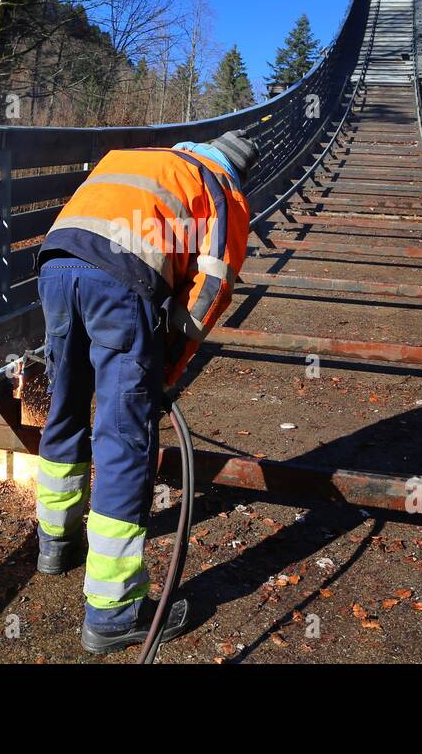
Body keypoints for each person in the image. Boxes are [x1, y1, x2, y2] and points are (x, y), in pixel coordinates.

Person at [33, 128, 259, 654]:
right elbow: (211, 290)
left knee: (64, 409)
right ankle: (112, 614)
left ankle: (55, 543)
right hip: (119, 283)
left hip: (55, 266)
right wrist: (166, 370)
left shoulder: (141, 160)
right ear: (238, 171)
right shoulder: (221, 188)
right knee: (123, 439)